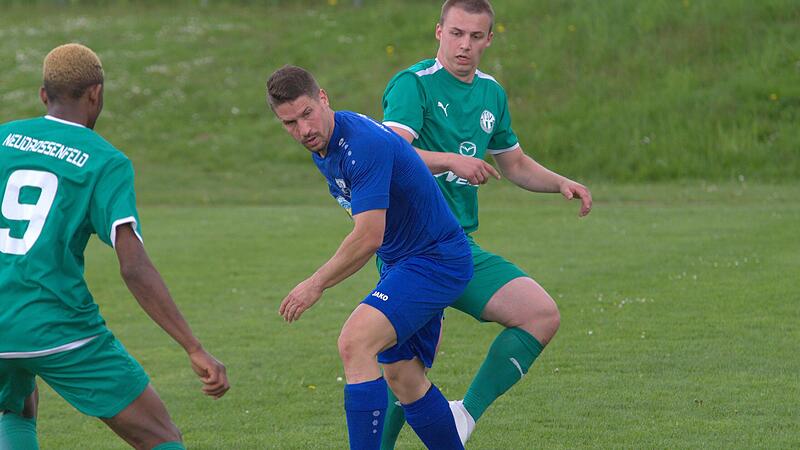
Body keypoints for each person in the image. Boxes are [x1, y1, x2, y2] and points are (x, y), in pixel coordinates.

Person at [379, 0, 594, 446]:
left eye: (476, 37)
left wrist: (559, 183)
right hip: (412, 252)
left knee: (540, 314)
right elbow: (391, 158)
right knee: (405, 372)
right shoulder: (412, 86)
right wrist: (451, 160)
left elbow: (513, 163)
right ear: (438, 31)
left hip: (458, 249)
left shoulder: (491, 92)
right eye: (456, 33)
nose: (465, 45)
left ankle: (464, 414)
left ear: (489, 40)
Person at [0, 43, 230, 450]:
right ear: (96, 93)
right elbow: (133, 266)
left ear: (42, 94)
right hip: (59, 328)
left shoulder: (3, 139)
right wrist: (193, 347)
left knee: (17, 406)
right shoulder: (105, 162)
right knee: (161, 436)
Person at [267, 65, 473, 450]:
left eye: (307, 114)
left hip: (434, 259)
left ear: (323, 98)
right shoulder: (326, 143)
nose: (303, 130)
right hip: (406, 262)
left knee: (354, 342)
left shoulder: (360, 145)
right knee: (402, 377)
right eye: (290, 123)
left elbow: (367, 236)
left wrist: (315, 285)